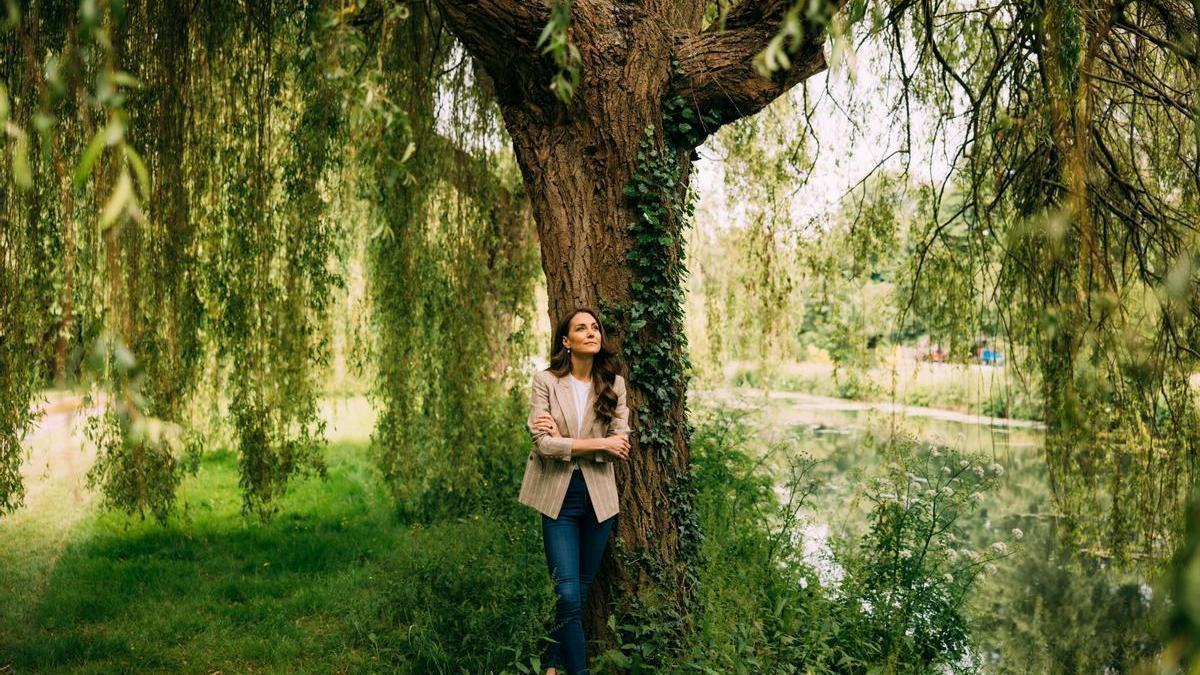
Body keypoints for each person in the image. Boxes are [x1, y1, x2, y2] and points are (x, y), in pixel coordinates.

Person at [519, 307, 631, 675]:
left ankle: (552, 661)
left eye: (595, 327)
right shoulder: (546, 382)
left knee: (579, 593)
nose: (591, 332)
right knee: (567, 592)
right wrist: (596, 445)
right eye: (580, 328)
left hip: (599, 500)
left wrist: (566, 440)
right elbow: (543, 446)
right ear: (566, 342)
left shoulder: (614, 385)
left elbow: (622, 442)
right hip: (558, 498)